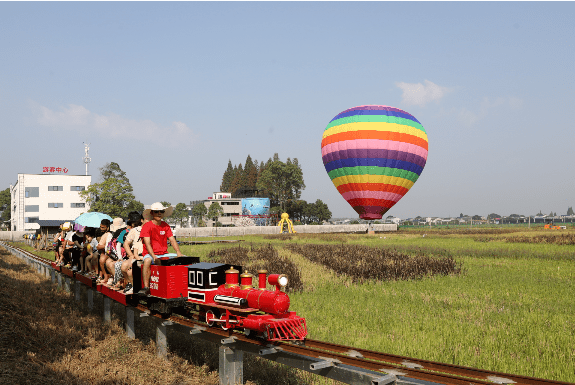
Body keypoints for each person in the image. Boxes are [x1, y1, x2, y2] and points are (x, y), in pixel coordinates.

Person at [137, 202, 182, 296]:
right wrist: (154, 256)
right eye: (157, 211)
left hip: (164, 254)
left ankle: (179, 287)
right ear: (152, 213)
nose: (159, 213)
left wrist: (178, 252)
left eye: (161, 211)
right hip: (150, 254)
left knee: (183, 259)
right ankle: (146, 287)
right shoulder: (147, 226)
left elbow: (172, 240)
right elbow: (147, 243)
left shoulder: (165, 225)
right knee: (147, 261)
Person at [122, 213, 147, 294]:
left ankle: (135, 287)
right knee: (123, 267)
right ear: (142, 220)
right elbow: (126, 244)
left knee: (130, 271)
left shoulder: (152, 229)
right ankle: (131, 284)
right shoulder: (135, 230)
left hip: (146, 256)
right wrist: (132, 255)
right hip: (137, 254)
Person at [96, 219, 112, 284]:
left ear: (107, 227)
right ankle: (101, 276)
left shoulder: (109, 234)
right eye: (100, 227)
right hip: (103, 252)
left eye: (103, 227)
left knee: (102, 260)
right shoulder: (104, 234)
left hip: (107, 252)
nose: (101, 228)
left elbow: (109, 245)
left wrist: (100, 247)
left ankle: (106, 277)